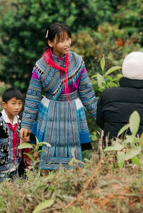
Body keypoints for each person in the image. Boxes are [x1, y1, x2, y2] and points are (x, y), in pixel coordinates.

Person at [20, 23, 98, 170]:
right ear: (50, 43)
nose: (67, 43)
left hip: (73, 111)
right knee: (46, 155)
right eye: (62, 40)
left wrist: (100, 117)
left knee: (74, 157)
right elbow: (33, 96)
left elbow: (87, 92)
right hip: (49, 112)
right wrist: (26, 124)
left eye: (68, 39)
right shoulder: (41, 66)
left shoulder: (77, 62)